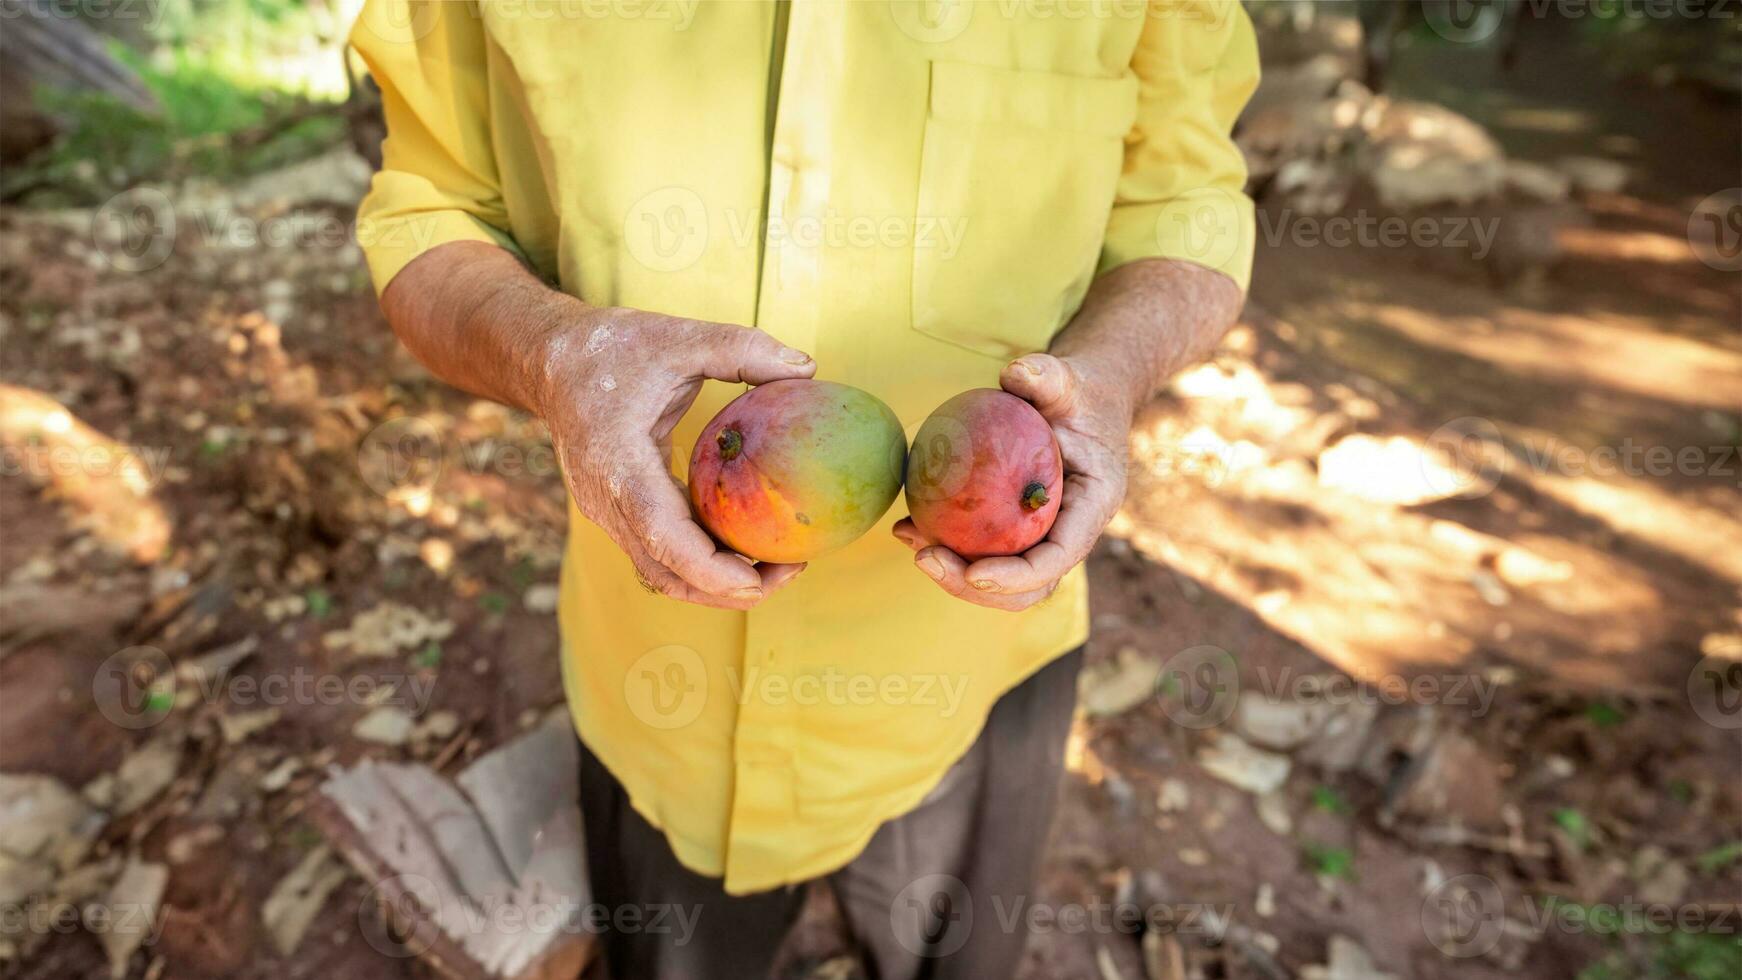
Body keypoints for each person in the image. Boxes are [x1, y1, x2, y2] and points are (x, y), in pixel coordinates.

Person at [351, 1, 1256, 976]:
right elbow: (428, 214)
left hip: (964, 675)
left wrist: (1110, 371)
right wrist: (554, 353)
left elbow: (1187, 203)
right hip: (659, 691)